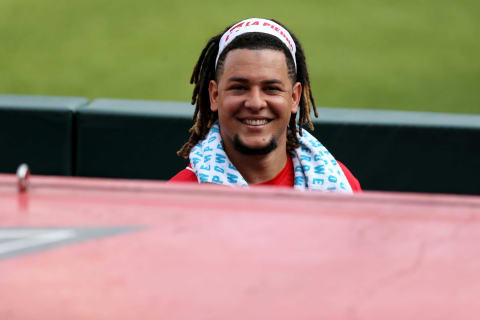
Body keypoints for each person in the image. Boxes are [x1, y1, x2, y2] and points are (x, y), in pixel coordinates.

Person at [170, 18, 361, 193]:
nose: (255, 103)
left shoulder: (341, 185)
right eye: (239, 88)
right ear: (215, 95)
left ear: (294, 97)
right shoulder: (179, 197)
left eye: (271, 88)